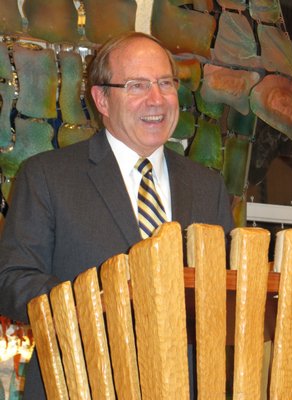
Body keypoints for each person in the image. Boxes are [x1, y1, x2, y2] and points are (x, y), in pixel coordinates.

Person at [0, 32, 234, 399]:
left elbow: (225, 292)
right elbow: (13, 281)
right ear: (102, 99)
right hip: (81, 386)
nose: (156, 99)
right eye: (137, 85)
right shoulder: (46, 176)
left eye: (165, 83)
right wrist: (95, 300)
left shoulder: (208, 186)